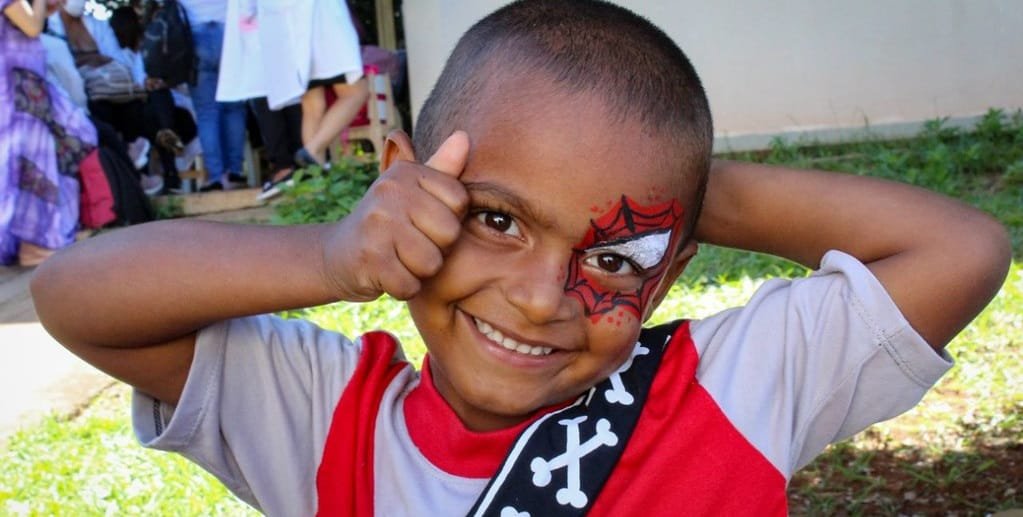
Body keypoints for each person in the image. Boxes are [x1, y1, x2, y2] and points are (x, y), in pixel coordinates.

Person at [31, 1, 1010, 514]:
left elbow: (960, 248)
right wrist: (332, 256)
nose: (545, 298)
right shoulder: (330, 422)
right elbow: (75, 296)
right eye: (496, 219)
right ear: (405, 183)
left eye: (618, 258)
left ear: (668, 273)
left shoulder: (734, 388)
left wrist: (681, 188)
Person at [2, 0, 96, 266]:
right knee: (22, 166)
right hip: (16, 91)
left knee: (28, 166)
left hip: (24, 87)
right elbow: (32, 27)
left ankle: (32, 242)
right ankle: (34, 242)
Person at [177, 0, 247, 191]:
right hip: (230, 33)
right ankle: (235, 172)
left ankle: (215, 176)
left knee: (207, 113)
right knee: (234, 109)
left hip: (196, 36)